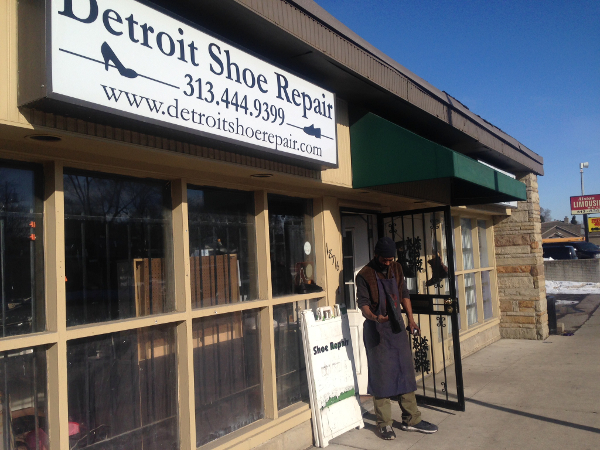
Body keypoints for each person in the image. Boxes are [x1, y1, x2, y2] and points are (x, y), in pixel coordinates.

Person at [356, 236, 438, 440]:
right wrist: (376, 317)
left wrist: (410, 319)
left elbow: (404, 294)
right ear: (376, 255)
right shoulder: (364, 275)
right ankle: (384, 423)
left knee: (405, 371)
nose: (388, 263)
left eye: (390, 259)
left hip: (397, 327)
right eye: (384, 259)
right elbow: (363, 304)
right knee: (382, 376)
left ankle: (412, 419)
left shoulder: (397, 268)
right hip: (377, 329)